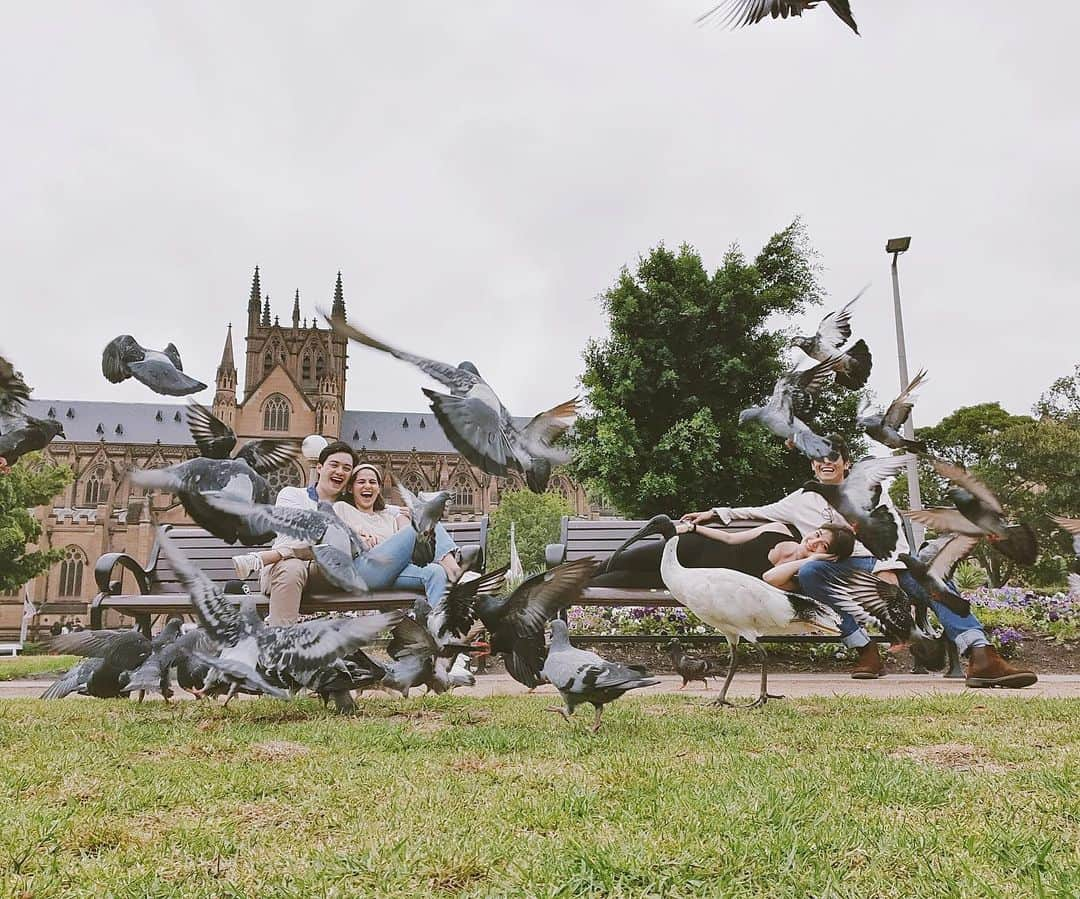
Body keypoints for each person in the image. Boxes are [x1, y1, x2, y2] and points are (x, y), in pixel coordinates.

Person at [683, 435, 1037, 688]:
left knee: (935, 580)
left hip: (884, 564)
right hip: (839, 570)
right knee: (811, 571)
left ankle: (981, 656)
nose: (825, 462)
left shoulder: (868, 488)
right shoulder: (800, 499)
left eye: (833, 457)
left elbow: (893, 529)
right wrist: (712, 513)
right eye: (819, 457)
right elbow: (756, 512)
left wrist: (889, 570)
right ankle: (865, 651)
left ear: (845, 463)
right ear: (811, 462)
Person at [233, 440, 358, 625]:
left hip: (323, 576)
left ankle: (260, 559)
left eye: (347, 468)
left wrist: (400, 512)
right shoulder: (291, 495)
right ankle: (282, 647)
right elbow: (297, 538)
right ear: (319, 467)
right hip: (283, 571)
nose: (340, 471)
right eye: (334, 465)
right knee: (292, 567)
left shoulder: (349, 508)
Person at [333, 462, 468, 606]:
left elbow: (410, 540)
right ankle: (455, 572)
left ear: (379, 489)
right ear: (350, 488)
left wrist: (411, 515)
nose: (367, 486)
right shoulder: (342, 508)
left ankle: (441, 625)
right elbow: (335, 528)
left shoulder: (388, 516)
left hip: (390, 572)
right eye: (361, 482)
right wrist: (356, 533)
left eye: (373, 482)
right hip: (362, 571)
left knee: (436, 572)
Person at [594, 518, 855, 588]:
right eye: (819, 534)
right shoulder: (780, 529)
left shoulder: (793, 576)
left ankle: (569, 585)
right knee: (618, 561)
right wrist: (693, 528)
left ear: (828, 555)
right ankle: (560, 578)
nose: (814, 541)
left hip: (693, 577)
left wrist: (812, 559)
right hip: (694, 547)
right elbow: (730, 538)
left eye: (824, 546)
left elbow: (769, 578)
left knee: (620, 578)